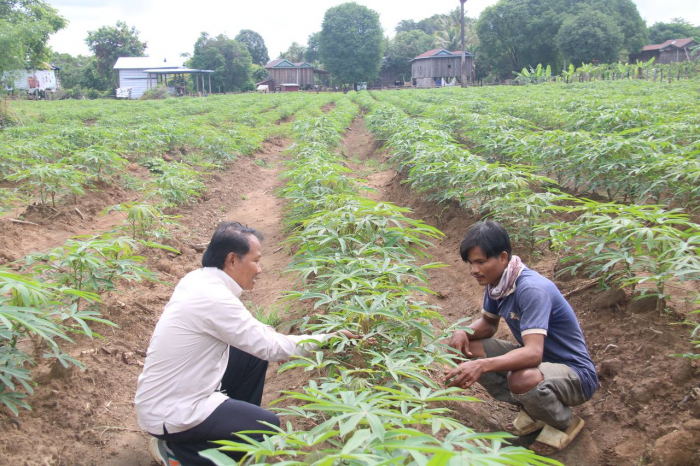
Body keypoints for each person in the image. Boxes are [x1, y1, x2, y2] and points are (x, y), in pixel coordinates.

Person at [135, 221, 359, 465]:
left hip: (167, 397)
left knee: (252, 355)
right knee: (266, 426)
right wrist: (327, 339)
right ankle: (181, 453)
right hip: (174, 412)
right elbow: (271, 347)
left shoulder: (198, 280)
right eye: (256, 260)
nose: (259, 269)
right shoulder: (214, 298)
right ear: (232, 260)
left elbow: (247, 334)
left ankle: (227, 431)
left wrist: (267, 335)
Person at [444, 221, 597, 455]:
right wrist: (463, 331)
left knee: (521, 379)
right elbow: (488, 324)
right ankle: (535, 408)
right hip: (540, 364)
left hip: (575, 374)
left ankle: (564, 422)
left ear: (503, 257)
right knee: (468, 347)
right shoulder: (497, 284)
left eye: (481, 262)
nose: (474, 270)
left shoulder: (531, 289)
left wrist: (481, 365)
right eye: (471, 263)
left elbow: (533, 353)